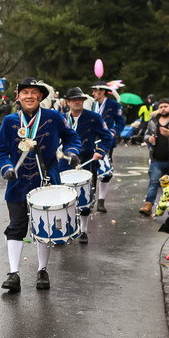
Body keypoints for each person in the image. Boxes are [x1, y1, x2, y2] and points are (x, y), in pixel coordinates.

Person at [0, 78, 81, 292]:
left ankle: (42, 270)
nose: (30, 96)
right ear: (18, 96)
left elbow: (72, 138)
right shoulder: (9, 121)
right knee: (16, 226)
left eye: (34, 92)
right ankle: (13, 273)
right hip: (17, 183)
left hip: (47, 182)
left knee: (46, 226)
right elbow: (1, 151)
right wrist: (6, 168)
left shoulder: (54, 117)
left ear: (40, 96)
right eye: (25, 92)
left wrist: (72, 152)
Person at [60, 88, 114, 244]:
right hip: (65, 162)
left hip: (87, 161)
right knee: (64, 197)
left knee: (85, 197)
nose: (77, 102)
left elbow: (107, 137)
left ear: (83, 101)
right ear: (68, 102)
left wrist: (100, 151)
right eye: (73, 99)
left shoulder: (94, 118)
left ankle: (83, 230)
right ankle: (65, 230)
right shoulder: (61, 118)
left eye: (80, 99)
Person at [140, 99, 169, 216]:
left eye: (165, 106)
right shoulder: (153, 121)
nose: (163, 109)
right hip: (157, 158)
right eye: (161, 107)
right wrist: (149, 138)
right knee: (153, 182)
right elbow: (146, 135)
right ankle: (148, 205)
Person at [90, 82, 125, 212]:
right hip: (91, 142)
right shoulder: (92, 105)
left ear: (103, 91)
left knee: (105, 173)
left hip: (106, 142)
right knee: (91, 171)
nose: (93, 93)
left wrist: (113, 131)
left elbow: (121, 122)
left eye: (95, 91)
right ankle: (90, 200)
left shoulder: (113, 104)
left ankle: (101, 201)